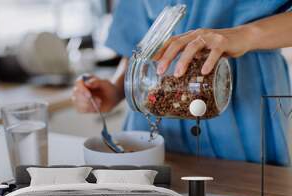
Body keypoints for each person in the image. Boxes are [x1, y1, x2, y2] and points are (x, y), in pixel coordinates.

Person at [72, 0, 292, 165]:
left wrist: (244, 35)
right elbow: (140, 41)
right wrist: (117, 88)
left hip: (240, 102)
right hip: (156, 108)